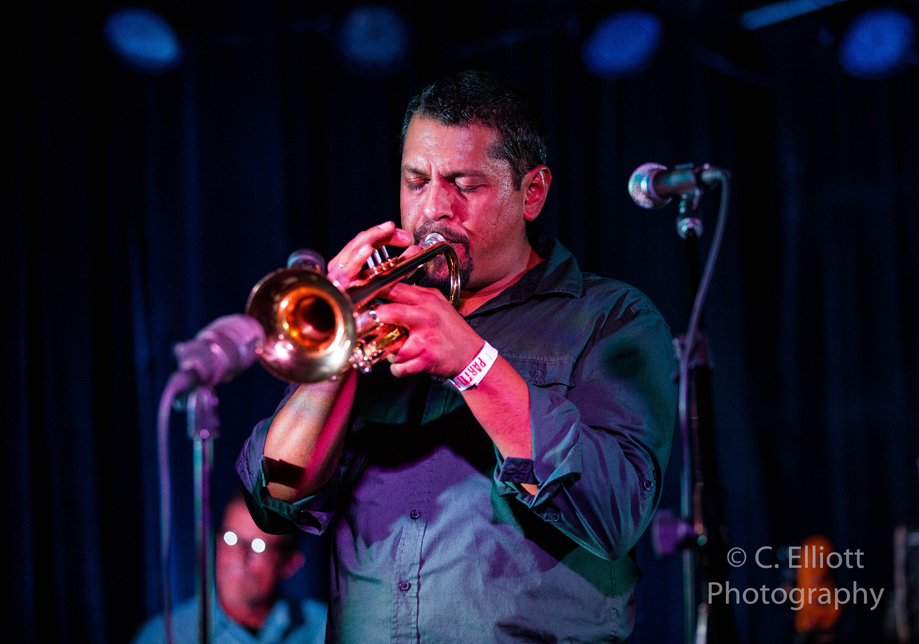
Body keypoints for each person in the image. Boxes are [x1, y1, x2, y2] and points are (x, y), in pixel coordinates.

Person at [236, 69, 677, 643]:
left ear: (532, 192)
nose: (434, 209)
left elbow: (614, 512)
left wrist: (474, 363)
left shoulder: (611, 317)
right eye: (415, 181)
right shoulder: (380, 315)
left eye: (464, 185)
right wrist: (336, 347)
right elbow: (275, 498)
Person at [131, 490, 327, 644]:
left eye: (258, 546)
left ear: (290, 563)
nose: (240, 555)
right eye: (231, 538)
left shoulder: (324, 629)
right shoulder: (165, 636)